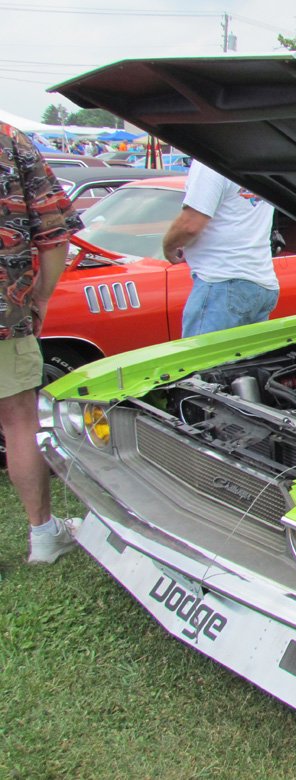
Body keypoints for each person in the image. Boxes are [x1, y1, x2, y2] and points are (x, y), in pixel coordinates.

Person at [0, 122, 83, 565]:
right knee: (18, 420)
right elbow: (54, 233)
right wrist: (41, 298)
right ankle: (44, 535)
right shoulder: (9, 141)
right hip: (5, 313)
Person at [162, 161, 279, 337]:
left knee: (202, 354)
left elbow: (190, 225)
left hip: (222, 282)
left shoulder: (208, 163)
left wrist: (168, 247)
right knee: (244, 356)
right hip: (262, 283)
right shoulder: (258, 160)